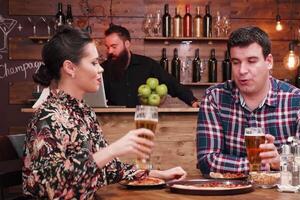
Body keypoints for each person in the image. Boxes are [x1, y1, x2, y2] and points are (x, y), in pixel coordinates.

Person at [23, 27, 186, 199]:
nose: (100, 69)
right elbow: (48, 187)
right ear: (70, 68)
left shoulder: (85, 112)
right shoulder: (47, 117)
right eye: (93, 63)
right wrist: (113, 150)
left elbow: (108, 169)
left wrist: (159, 175)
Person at [196, 26, 300, 174]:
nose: (242, 70)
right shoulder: (215, 98)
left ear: (269, 61)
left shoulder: (299, 101)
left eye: (251, 61)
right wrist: (259, 165)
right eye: (236, 62)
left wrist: (283, 161)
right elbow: (206, 160)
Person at [101, 25, 198, 108]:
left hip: (143, 120)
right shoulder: (103, 69)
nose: (110, 51)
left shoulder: (147, 65)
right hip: (112, 123)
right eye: (107, 47)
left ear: (127, 44)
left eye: (114, 47)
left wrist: (192, 101)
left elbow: (172, 84)